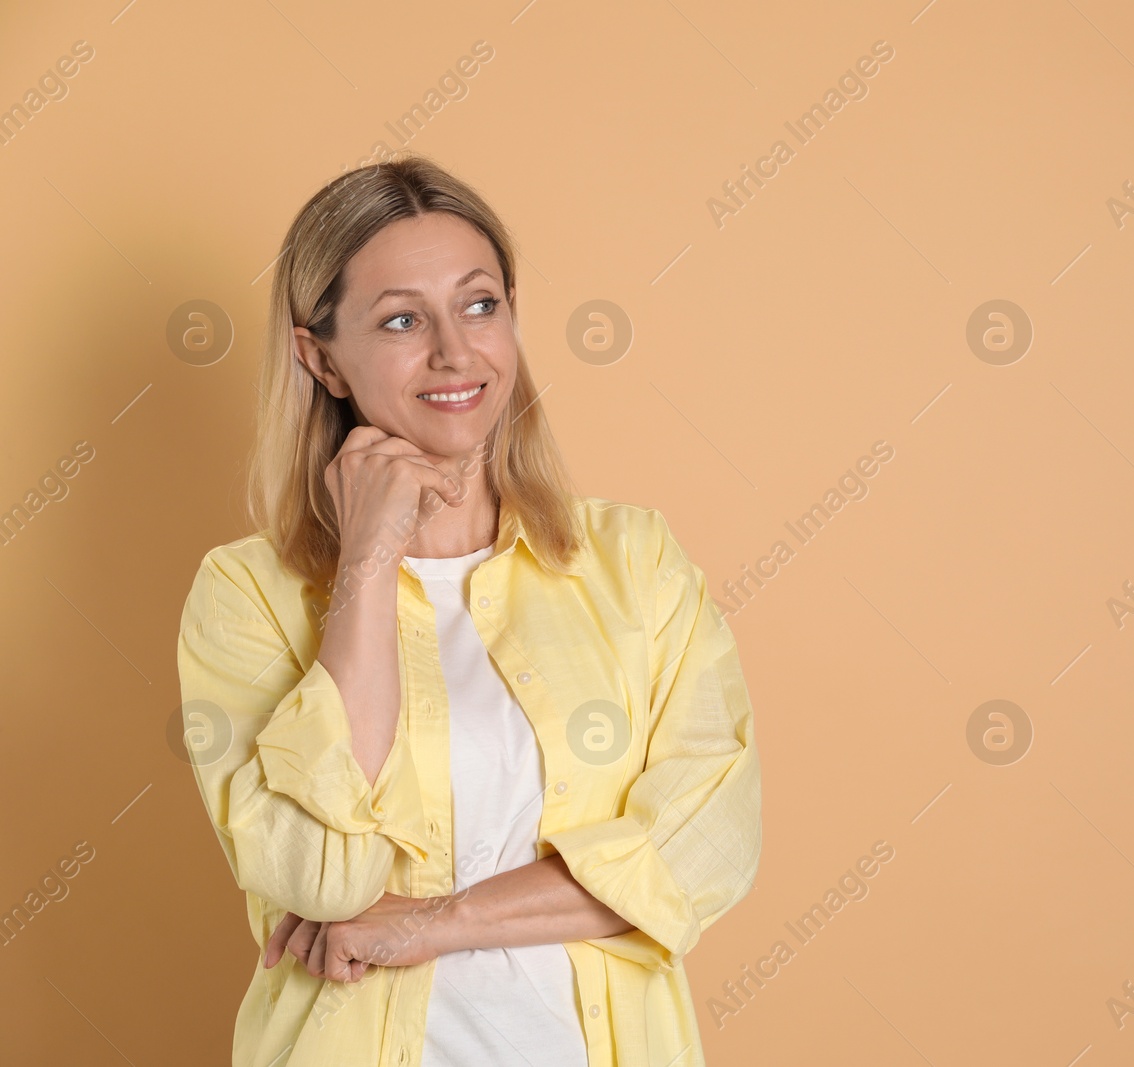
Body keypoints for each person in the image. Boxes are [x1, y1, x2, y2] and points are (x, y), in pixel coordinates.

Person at [174, 156, 761, 1067]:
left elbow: (700, 851)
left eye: (480, 304)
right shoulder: (247, 594)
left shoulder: (632, 562)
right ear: (319, 356)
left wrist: (434, 923)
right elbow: (319, 875)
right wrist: (367, 564)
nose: (456, 351)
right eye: (403, 319)